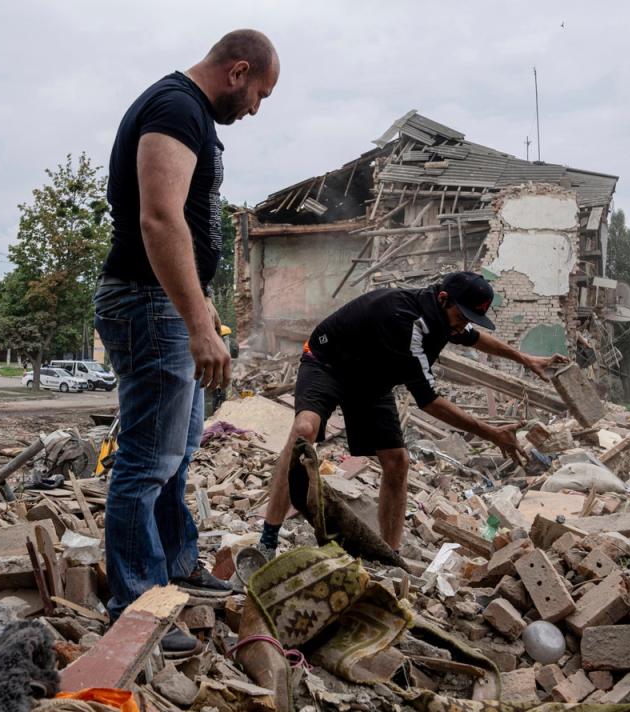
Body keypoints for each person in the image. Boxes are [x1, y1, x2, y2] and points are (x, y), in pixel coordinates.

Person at [94, 29, 279, 655]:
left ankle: (175, 567)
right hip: (151, 306)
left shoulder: (190, 112)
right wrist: (199, 325)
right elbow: (159, 216)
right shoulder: (175, 107)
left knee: (173, 454)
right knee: (146, 460)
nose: (256, 107)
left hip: (166, 306)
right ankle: (135, 606)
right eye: (260, 93)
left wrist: (204, 316)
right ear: (239, 70)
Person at [258, 271, 567, 559]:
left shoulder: (446, 316)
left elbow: (472, 336)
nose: (462, 325)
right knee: (304, 430)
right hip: (328, 362)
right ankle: (267, 541)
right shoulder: (408, 322)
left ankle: (387, 558)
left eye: (469, 318)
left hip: (370, 380)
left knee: (397, 461)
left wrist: (525, 358)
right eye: (461, 317)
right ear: (444, 299)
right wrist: (492, 433)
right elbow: (429, 401)